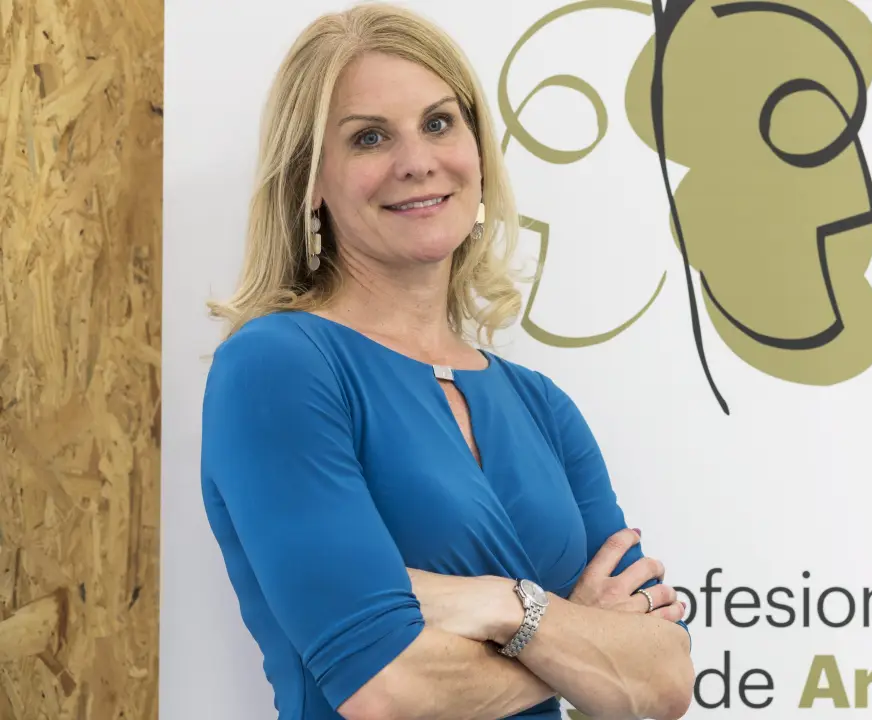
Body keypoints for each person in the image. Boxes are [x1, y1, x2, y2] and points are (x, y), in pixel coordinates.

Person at [198, 4, 694, 719]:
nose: (417, 162)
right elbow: (387, 690)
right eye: (370, 137)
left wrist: (500, 605)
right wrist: (578, 634)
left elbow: (664, 680)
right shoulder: (276, 368)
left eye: (438, 123)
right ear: (311, 180)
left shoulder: (539, 404)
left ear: (478, 151)